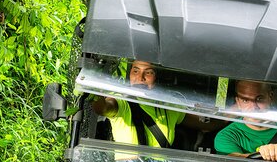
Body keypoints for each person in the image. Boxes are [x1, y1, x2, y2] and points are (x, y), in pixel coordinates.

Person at [92, 60, 221, 149]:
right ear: (130, 75)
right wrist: (93, 91)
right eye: (135, 71)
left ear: (156, 77)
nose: (141, 77)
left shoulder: (167, 108)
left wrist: (235, 111)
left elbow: (207, 125)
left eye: (148, 72)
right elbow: (103, 108)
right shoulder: (121, 102)